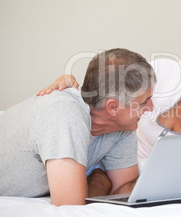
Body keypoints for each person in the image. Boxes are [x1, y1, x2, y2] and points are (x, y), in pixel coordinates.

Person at [38, 54, 181, 194]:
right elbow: (111, 90)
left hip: (147, 178)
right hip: (116, 156)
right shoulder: (167, 74)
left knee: (106, 184)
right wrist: (75, 88)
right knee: (99, 179)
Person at [0, 48, 155, 206]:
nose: (151, 107)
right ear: (113, 107)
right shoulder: (64, 115)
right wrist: (98, 177)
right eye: (145, 101)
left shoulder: (123, 127)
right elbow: (70, 207)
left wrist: (100, 179)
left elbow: (125, 192)